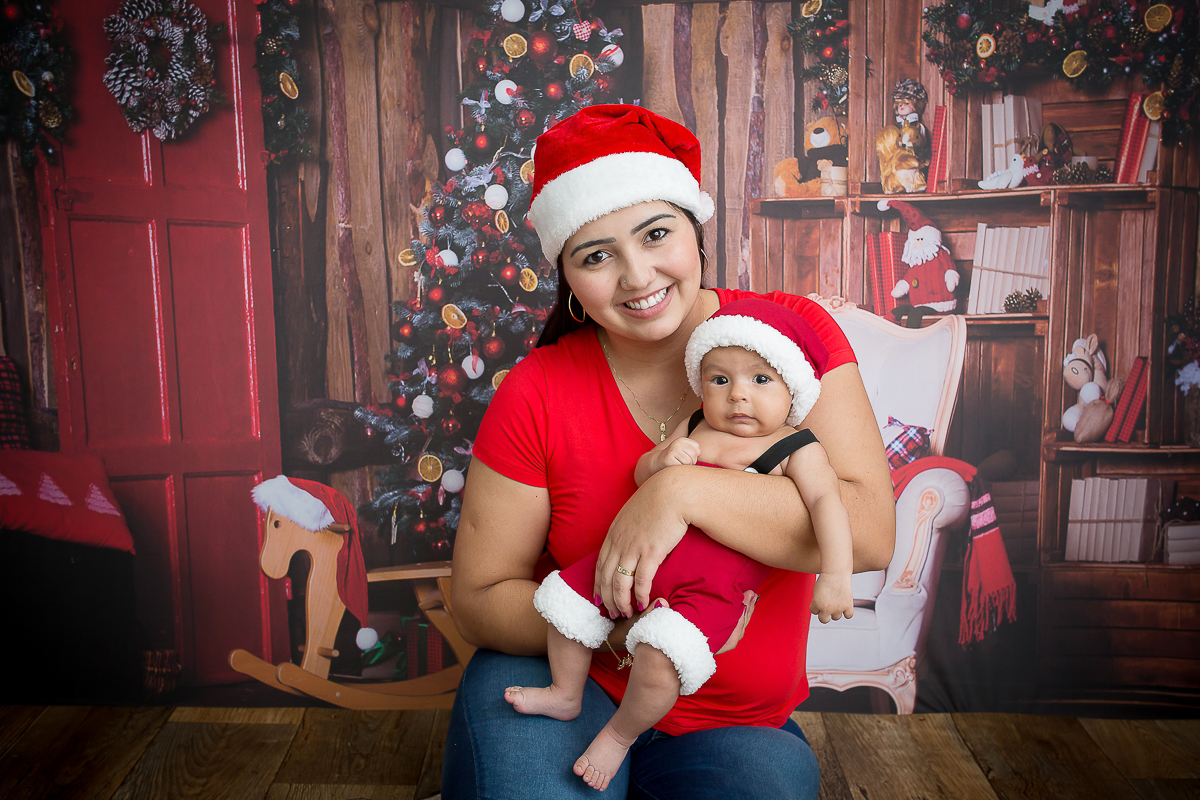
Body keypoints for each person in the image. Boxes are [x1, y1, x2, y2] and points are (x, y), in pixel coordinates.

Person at [444, 104, 894, 799]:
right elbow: (479, 598)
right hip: (568, 677)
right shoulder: (540, 388)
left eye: (657, 234)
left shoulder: (789, 337)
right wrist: (631, 641)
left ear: (694, 228)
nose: (636, 276)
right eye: (596, 256)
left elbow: (867, 531)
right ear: (568, 279)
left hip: (733, 721)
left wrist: (681, 493)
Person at [507, 298, 855, 792]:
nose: (738, 397)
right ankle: (566, 693)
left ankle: (619, 736)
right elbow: (641, 472)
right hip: (636, 564)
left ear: (792, 388)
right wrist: (662, 460)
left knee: (660, 659)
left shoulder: (796, 448)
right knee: (565, 600)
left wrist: (836, 575)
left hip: (712, 589)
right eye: (720, 380)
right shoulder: (696, 427)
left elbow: (827, 506)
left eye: (760, 380)